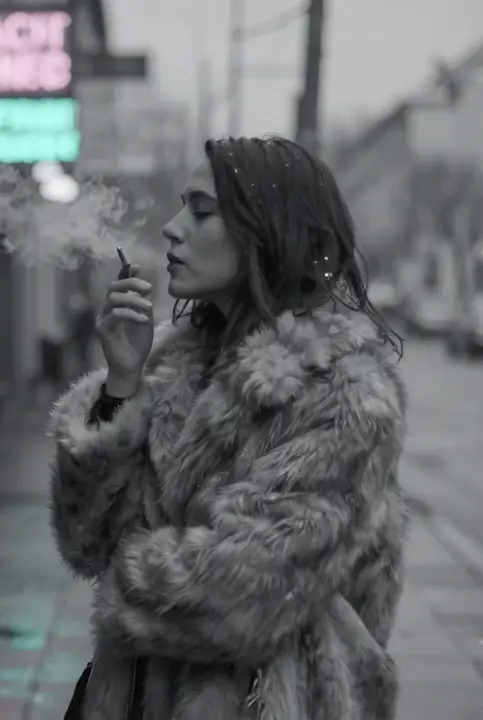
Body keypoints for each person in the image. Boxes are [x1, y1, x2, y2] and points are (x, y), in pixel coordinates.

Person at [49, 136, 409, 720]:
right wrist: (121, 383)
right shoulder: (169, 366)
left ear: (267, 233)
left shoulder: (344, 394)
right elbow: (85, 542)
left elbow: (241, 595)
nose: (172, 228)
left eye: (201, 210)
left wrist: (127, 574)